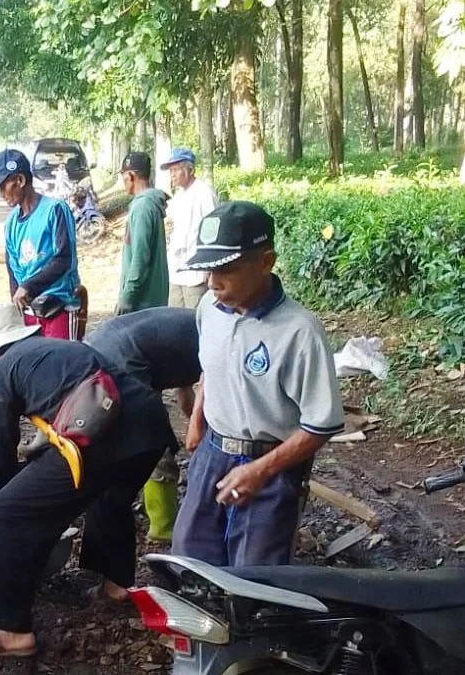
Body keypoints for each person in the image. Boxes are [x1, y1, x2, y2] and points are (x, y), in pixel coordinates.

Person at [0, 303, 174, 659]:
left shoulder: (1, 373)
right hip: (149, 426)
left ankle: (10, 632)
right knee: (110, 495)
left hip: (108, 434)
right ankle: (116, 586)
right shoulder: (59, 347)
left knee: (8, 513)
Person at [171, 201, 344, 567]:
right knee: (189, 557)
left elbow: (321, 423)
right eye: (208, 269)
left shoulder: (298, 331)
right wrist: (198, 418)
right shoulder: (209, 309)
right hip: (212, 453)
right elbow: (210, 369)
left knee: (254, 576)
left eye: (227, 269)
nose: (213, 282)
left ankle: (244, 624)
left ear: (266, 262)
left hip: (269, 464)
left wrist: (260, 470)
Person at [85, 307, 201, 542]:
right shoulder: (219, 339)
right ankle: (163, 526)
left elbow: (186, 389)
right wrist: (199, 430)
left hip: (108, 343)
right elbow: (210, 398)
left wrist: (197, 427)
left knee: (121, 431)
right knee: (152, 437)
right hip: (121, 355)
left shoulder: (189, 338)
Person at [0, 149, 81, 339]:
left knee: (62, 364)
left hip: (59, 308)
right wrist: (16, 299)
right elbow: (12, 267)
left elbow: (64, 260)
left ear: (20, 180)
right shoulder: (11, 223)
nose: (1, 194)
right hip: (29, 312)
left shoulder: (55, 210)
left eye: (3, 186)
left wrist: (28, 286)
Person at [161, 148, 218, 309]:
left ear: (190, 170)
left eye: (176, 169)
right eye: (171, 170)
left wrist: (209, 267)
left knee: (194, 317)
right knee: (173, 317)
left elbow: (212, 230)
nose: (172, 174)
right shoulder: (178, 195)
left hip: (196, 271)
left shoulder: (204, 193)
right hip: (177, 268)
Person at [116, 152, 169, 314]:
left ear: (131, 176)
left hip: (143, 303)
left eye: (123, 175)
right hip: (151, 301)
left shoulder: (143, 207)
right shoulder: (146, 204)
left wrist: (126, 299)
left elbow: (140, 257)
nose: (123, 181)